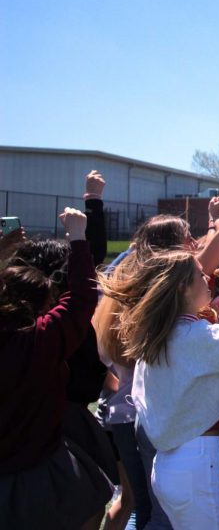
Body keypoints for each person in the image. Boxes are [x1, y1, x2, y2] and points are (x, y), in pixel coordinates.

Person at [99, 252, 219, 529]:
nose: (207, 278)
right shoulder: (193, 336)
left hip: (174, 463)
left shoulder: (160, 333)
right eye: (198, 274)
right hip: (195, 462)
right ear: (182, 287)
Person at [0, 208, 113, 530]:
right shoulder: (37, 343)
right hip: (38, 476)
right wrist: (79, 237)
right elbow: (80, 298)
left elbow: (78, 298)